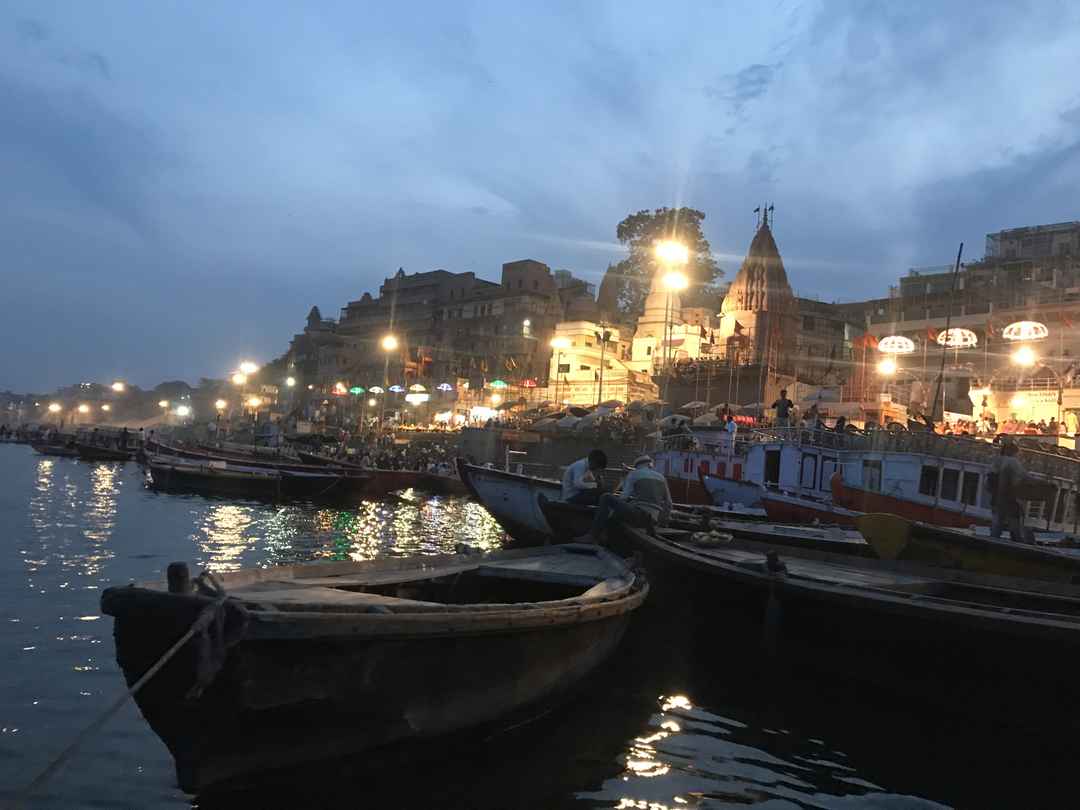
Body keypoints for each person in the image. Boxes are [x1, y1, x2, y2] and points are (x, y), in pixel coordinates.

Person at [577, 455, 673, 542]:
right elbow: (668, 503)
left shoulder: (634, 474)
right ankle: (606, 536)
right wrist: (664, 523)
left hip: (640, 517)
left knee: (606, 497)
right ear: (650, 465)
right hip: (653, 521)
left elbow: (623, 498)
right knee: (618, 510)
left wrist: (622, 483)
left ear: (637, 466)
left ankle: (593, 535)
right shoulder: (661, 477)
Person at [990, 442, 1029, 542]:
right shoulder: (1012, 461)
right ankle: (1017, 540)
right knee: (1014, 519)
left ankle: (993, 539)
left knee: (997, 519)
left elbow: (989, 480)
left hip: (997, 495)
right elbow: (1024, 476)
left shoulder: (996, 461)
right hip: (1009, 495)